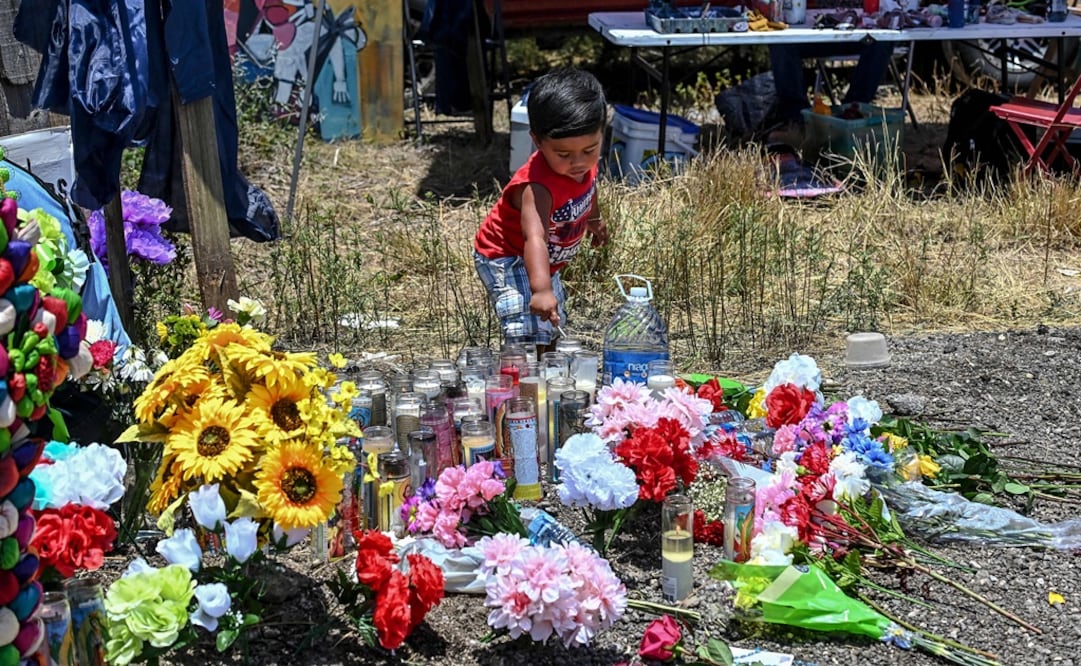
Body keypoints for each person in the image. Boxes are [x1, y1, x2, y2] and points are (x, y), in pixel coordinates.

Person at [474, 67, 609, 350]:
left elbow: (588, 188)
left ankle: (545, 372)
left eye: (590, 150)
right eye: (563, 154)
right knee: (529, 325)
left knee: (551, 321)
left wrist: (593, 219)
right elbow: (534, 238)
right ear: (537, 141)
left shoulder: (584, 165)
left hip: (543, 260)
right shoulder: (536, 187)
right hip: (507, 256)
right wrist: (542, 289)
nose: (579, 162)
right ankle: (526, 384)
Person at [769, 42, 895, 127]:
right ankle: (797, 121)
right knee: (780, 43)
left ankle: (853, 114)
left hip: (858, 34)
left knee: (883, 40)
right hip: (809, 32)